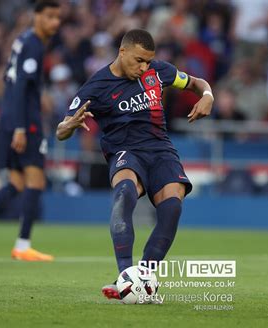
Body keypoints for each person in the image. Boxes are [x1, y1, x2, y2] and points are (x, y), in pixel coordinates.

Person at [56, 29, 213, 300]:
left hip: (161, 150)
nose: (144, 68)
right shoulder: (97, 86)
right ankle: (125, 277)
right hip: (125, 151)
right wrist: (68, 126)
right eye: (139, 60)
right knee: (125, 192)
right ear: (122, 51)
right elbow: (61, 129)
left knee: (173, 205)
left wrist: (208, 94)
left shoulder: (158, 72)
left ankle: (144, 276)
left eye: (148, 62)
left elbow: (196, 82)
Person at [0, 1, 61, 261]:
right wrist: (21, 127)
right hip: (25, 122)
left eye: (58, 18)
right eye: (50, 17)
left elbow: (11, 80)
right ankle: (22, 245)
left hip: (10, 118)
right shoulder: (34, 44)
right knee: (36, 181)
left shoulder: (23, 40)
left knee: (17, 183)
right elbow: (18, 88)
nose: (55, 23)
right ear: (37, 16)